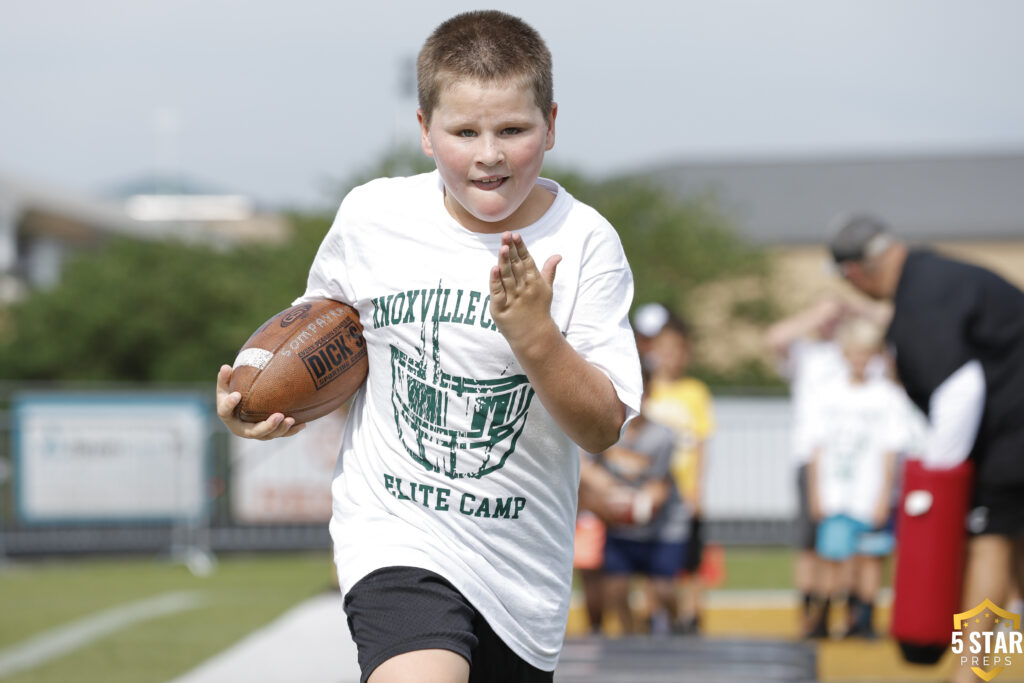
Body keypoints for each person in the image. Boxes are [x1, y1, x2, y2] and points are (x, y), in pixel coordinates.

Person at [215, 11, 642, 683]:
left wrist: (536, 336)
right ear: (424, 130)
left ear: (552, 124)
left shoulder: (584, 243)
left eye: (513, 130)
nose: (489, 154)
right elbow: (331, 354)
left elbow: (602, 427)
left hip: (520, 571)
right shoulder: (372, 219)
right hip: (395, 534)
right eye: (464, 131)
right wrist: (266, 404)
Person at [829, 214, 1024, 682]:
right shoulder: (940, 277)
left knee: (989, 546)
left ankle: (973, 676)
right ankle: (981, 670)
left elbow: (960, 388)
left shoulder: (919, 299)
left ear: (854, 273)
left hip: (1011, 438)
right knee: (1014, 551)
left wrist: (938, 482)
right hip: (1010, 432)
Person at [764, 295, 888, 637]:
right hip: (812, 458)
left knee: (857, 543)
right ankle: (812, 614)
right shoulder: (807, 352)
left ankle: (855, 615)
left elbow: (896, 327)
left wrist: (857, 308)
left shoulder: (858, 354)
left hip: (856, 464)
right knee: (811, 542)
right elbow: (774, 338)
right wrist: (816, 314)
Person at [804, 316, 906, 639]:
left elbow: (890, 450)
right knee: (832, 556)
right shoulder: (827, 393)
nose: (860, 359)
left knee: (870, 558)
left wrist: (883, 495)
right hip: (836, 490)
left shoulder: (886, 395)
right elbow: (816, 447)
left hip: (869, 490)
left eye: (867, 352)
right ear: (844, 353)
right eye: (854, 352)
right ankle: (822, 617)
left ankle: (863, 620)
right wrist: (815, 492)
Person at [579, 367, 688, 636]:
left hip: (662, 525)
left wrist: (633, 505)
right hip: (619, 525)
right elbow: (585, 468)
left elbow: (658, 487)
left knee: (663, 589)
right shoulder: (603, 429)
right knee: (615, 589)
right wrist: (607, 497)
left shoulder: (662, 436)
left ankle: (679, 629)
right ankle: (632, 639)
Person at [633, 303, 714, 635]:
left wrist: (698, 489)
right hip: (648, 485)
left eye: (675, 350)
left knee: (688, 559)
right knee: (649, 556)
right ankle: (652, 613)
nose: (669, 357)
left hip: (682, 485)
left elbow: (701, 442)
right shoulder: (646, 389)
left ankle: (690, 612)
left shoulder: (694, 391)